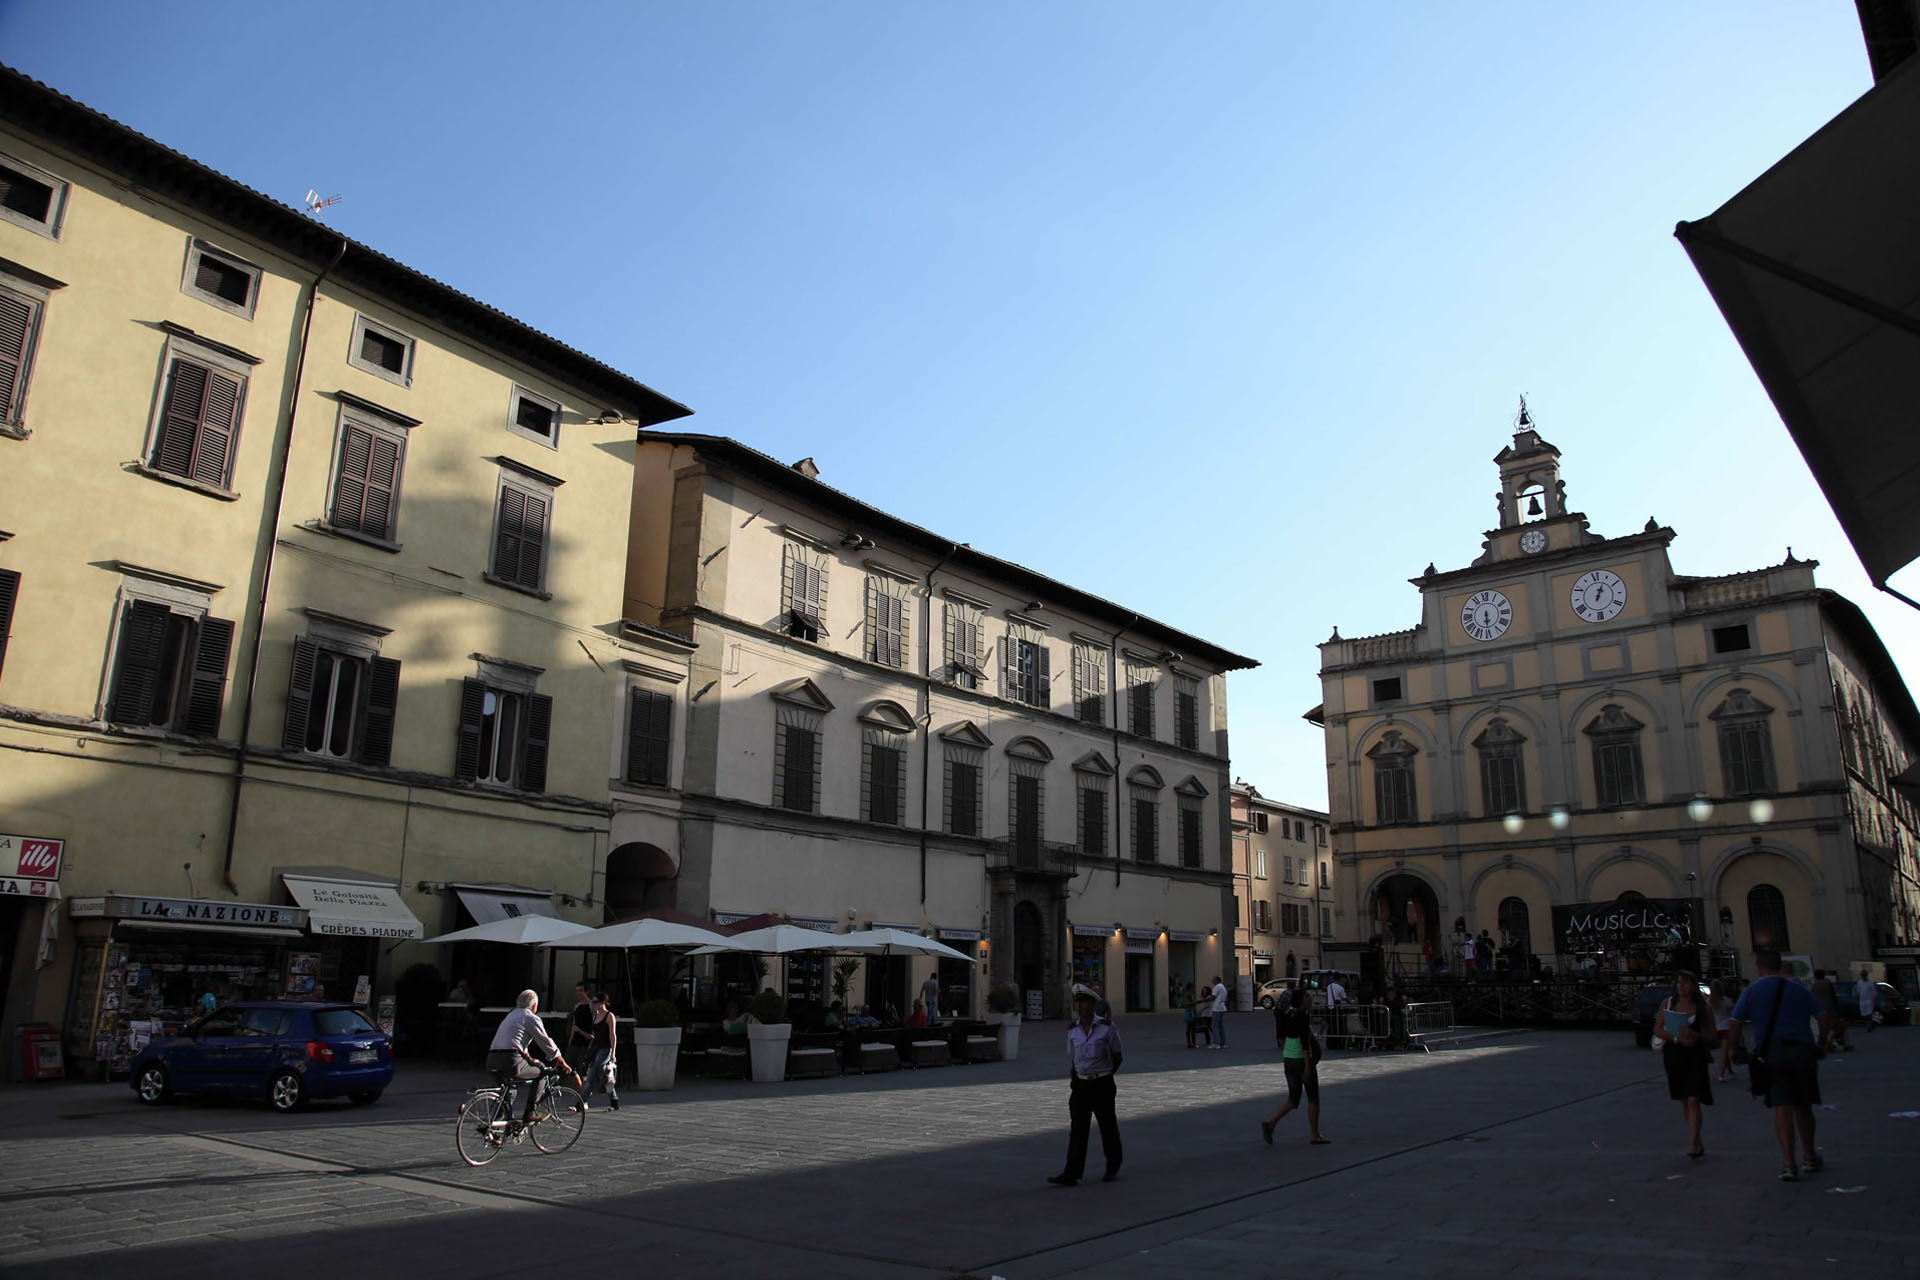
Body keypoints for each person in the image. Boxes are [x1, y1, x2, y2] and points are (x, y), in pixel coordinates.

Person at [1730, 947, 1830, 1182]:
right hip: (1802, 1050)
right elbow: (1823, 1016)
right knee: (1803, 1105)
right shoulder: (1797, 988)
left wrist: (1735, 1048)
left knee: (1781, 1106)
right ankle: (1809, 1155)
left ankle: (1789, 1163)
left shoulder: (1752, 991)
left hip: (1772, 1053)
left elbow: (1735, 1022)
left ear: (1759, 967)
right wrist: (1821, 1043)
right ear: (1780, 965)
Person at [1048, 984, 1123, 1186]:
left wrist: (1105, 1075)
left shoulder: (1107, 1028)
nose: (1079, 1006)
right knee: (1078, 1130)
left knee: (1108, 1127)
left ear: (1092, 1004)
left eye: (1083, 1002)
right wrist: (1076, 1081)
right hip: (1081, 1085)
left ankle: (1113, 1165)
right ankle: (1071, 1173)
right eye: (1077, 1003)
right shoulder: (1073, 1030)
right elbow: (1073, 1058)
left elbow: (1117, 1056)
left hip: (1102, 1084)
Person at [486, 990, 581, 1130]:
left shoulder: (511, 1015)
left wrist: (530, 1059)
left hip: (492, 1059)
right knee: (542, 1073)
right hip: (510, 1061)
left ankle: (493, 1128)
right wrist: (561, 1061)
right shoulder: (530, 1017)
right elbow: (545, 1042)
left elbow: (515, 1042)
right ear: (534, 1005)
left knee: (508, 1092)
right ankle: (530, 1112)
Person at [1653, 970, 1717, 1159]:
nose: (1682, 986)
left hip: (1695, 1055)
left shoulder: (1703, 1008)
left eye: (1686, 983)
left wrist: (1698, 1036)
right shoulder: (1669, 1004)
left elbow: (1713, 1037)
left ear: (1694, 986)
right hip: (1675, 1054)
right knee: (1684, 1098)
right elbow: (1657, 1028)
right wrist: (1675, 1038)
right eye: (1679, 982)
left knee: (1693, 1098)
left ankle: (1694, 1142)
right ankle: (1695, 1137)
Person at [1261, 981, 1329, 1146]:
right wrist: (1307, 1064)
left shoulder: (1286, 1014)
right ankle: (1314, 1134)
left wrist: (1287, 1053)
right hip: (1301, 1060)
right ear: (1300, 1000)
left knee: (1293, 1099)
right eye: (1307, 997)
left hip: (1289, 1060)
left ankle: (1271, 1123)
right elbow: (1305, 1043)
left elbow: (1280, 1037)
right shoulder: (1302, 1016)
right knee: (1313, 1098)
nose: (1310, 999)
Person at [581, 991, 620, 1112]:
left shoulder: (609, 1016)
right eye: (593, 1002)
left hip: (605, 1049)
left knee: (592, 1074)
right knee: (605, 1076)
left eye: (595, 1002)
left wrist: (613, 1053)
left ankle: (581, 1102)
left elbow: (612, 1035)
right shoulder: (595, 1015)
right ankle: (614, 1101)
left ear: (603, 1002)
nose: (594, 1004)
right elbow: (595, 1035)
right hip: (596, 1048)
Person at [1710, 978, 1738, 1083]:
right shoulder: (1726, 1000)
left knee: (1724, 1052)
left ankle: (1730, 1070)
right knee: (1724, 1052)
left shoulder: (1708, 1002)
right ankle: (1721, 1074)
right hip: (1726, 1028)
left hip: (1714, 1028)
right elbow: (1732, 1015)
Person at [567, 982, 594, 1071]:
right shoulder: (577, 1006)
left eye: (581, 991)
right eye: (577, 991)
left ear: (587, 992)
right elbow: (575, 1024)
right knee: (569, 1064)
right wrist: (570, 1041)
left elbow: (594, 1023)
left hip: (586, 1040)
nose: (578, 993)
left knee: (581, 1066)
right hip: (575, 1040)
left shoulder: (591, 1006)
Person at [1208, 975, 1228, 1050]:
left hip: (1217, 1008)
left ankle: (1216, 1043)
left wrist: (1205, 999)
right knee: (1220, 1026)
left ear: (1217, 980)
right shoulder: (1222, 987)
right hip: (1222, 1008)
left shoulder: (1217, 987)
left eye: (1213, 980)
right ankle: (1222, 1043)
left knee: (1214, 1026)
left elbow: (1213, 997)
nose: (1212, 981)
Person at [1857, 969, 1879, 1035]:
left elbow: (1874, 992)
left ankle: (1869, 1026)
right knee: (1865, 1014)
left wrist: (1874, 999)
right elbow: (1858, 991)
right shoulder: (1859, 982)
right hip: (1862, 1000)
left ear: (1866, 975)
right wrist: (1858, 997)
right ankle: (1871, 1024)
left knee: (1870, 1014)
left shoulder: (1870, 982)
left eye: (1864, 975)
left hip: (1869, 1000)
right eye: (1862, 975)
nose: (1863, 976)